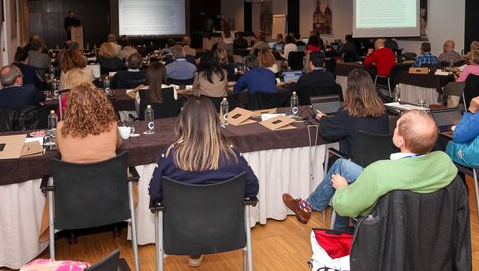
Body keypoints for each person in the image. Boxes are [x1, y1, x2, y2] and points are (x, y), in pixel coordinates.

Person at [282, 110, 457, 228]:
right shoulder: (445, 163)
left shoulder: (379, 171)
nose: (394, 129)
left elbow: (344, 207)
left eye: (396, 128)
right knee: (343, 166)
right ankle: (307, 206)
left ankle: (324, 224)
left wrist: (343, 189)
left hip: (386, 220)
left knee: (341, 173)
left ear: (401, 141)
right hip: (425, 222)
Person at [149, 96, 259, 267]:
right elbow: (252, 189)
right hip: (227, 232)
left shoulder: (170, 155)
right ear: (214, 122)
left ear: (183, 121)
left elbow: (155, 194)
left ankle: (195, 251)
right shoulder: (231, 155)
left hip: (181, 233)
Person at [316, 69, 389, 159]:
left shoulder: (347, 114)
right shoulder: (383, 113)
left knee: (329, 161)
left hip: (354, 167)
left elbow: (327, 133)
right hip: (378, 167)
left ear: (349, 90)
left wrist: (323, 118)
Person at [56, 83, 121, 163]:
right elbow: (118, 144)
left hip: (73, 175)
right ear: (100, 103)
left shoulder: (61, 127)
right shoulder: (112, 125)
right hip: (107, 174)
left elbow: (58, 148)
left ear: (71, 106)